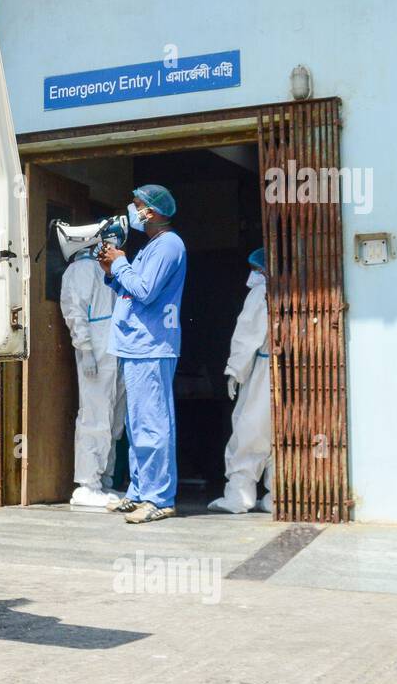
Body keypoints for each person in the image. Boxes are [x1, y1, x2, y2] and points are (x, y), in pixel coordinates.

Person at [96, 184, 187, 524]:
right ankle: (139, 492)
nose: (132, 211)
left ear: (152, 211)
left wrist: (119, 263)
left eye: (136, 205)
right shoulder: (153, 246)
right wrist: (112, 273)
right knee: (137, 425)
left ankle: (160, 498)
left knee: (153, 423)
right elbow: (133, 291)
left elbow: (146, 291)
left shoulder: (168, 245)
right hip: (136, 344)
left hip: (152, 345)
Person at [59, 237, 125, 508]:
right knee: (94, 417)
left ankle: (104, 480)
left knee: (113, 419)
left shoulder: (101, 267)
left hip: (112, 345)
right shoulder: (80, 269)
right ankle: (87, 485)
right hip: (97, 348)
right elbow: (75, 312)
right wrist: (85, 349)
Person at [209, 247, 274, 514]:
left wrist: (235, 371)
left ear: (261, 270)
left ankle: (239, 495)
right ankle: (276, 496)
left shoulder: (261, 293)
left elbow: (247, 335)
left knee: (249, 432)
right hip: (287, 370)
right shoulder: (293, 291)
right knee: (279, 436)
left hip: (262, 367)